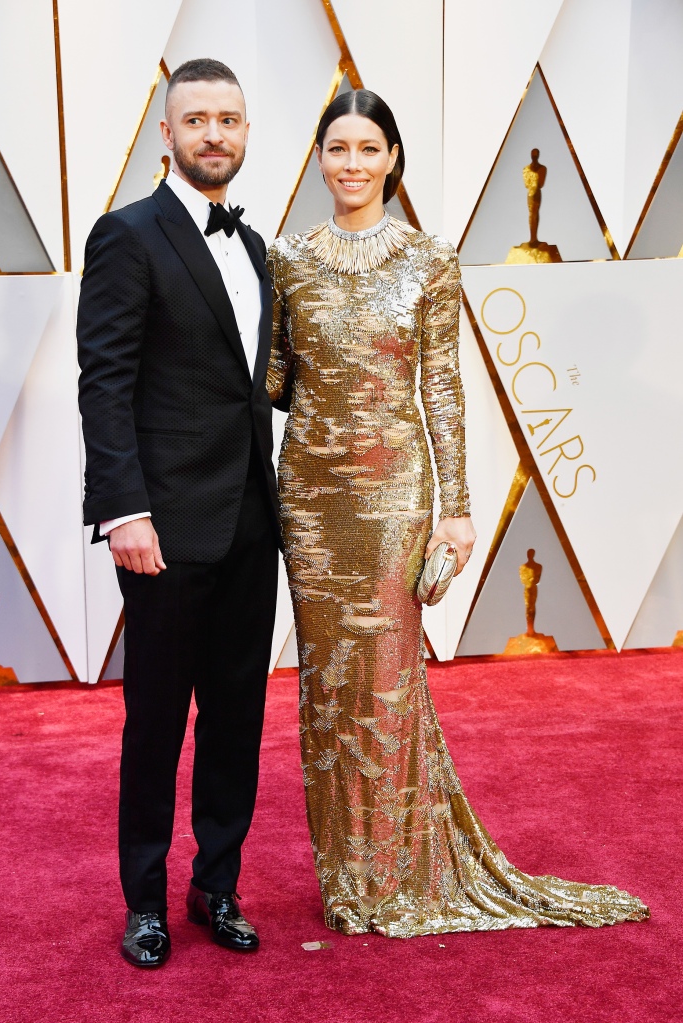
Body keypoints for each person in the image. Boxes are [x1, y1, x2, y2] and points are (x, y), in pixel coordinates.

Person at [267, 89, 649, 937]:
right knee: (329, 685)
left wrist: (460, 510)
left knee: (389, 680)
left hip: (395, 495)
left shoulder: (431, 258)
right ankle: (349, 878)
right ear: (318, 157)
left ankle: (397, 873)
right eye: (337, 147)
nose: (352, 163)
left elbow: (441, 386)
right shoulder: (285, 259)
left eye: (369, 148)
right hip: (310, 500)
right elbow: (277, 383)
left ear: (393, 159)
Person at [78, 59, 280, 966]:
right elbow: (106, 383)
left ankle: (217, 886)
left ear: (245, 131)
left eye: (228, 119)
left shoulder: (259, 247)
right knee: (156, 721)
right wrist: (124, 510)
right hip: (160, 529)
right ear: (166, 131)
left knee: (238, 716)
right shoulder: (128, 235)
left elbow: (255, 390)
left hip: (249, 525)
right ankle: (147, 901)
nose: (213, 134)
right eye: (195, 119)